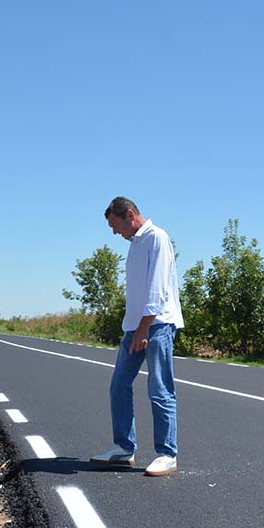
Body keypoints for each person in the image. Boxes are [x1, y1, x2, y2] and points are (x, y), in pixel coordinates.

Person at [90, 197, 184, 477]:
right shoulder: (135, 244)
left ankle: (167, 454)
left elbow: (158, 288)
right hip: (134, 327)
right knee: (119, 385)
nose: (114, 232)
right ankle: (123, 448)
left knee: (160, 388)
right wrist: (133, 327)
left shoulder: (157, 238)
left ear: (130, 215)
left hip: (156, 326)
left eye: (115, 225)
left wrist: (144, 327)